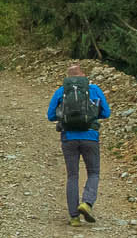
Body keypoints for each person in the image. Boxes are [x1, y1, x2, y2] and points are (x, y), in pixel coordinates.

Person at [48, 62, 112, 225]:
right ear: (83, 75)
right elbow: (106, 112)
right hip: (90, 137)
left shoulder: (61, 91)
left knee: (73, 175)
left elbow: (50, 115)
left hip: (69, 138)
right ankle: (87, 203)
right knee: (93, 172)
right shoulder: (94, 90)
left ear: (68, 78)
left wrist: (67, 117)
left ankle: (74, 217)